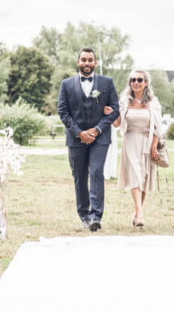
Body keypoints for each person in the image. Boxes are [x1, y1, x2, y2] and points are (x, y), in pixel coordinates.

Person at [57, 47, 119, 232]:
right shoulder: (66, 84)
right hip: (76, 139)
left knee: (97, 172)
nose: (87, 63)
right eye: (83, 60)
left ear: (95, 63)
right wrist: (79, 132)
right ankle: (84, 215)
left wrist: (97, 129)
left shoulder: (106, 83)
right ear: (78, 62)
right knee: (80, 176)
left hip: (100, 138)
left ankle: (95, 216)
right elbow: (63, 111)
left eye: (90, 60)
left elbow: (115, 109)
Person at [111, 69, 165, 227]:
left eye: (139, 80)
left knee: (143, 178)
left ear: (146, 83)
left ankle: (137, 212)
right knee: (135, 175)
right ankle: (140, 213)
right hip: (130, 141)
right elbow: (117, 124)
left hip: (148, 142)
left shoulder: (153, 102)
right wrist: (110, 113)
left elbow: (158, 127)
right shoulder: (124, 101)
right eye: (133, 79)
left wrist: (154, 147)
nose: (135, 82)